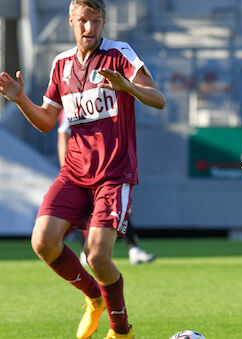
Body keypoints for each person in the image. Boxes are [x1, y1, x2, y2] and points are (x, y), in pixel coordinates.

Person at [0, 0, 165, 338]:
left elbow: (158, 99)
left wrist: (127, 87)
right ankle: (94, 297)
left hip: (113, 175)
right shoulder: (60, 64)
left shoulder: (120, 55)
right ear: (70, 22)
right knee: (43, 242)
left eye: (96, 20)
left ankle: (121, 331)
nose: (90, 28)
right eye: (83, 21)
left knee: (97, 256)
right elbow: (47, 121)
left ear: (103, 20)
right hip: (74, 174)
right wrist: (20, 100)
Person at [57, 111, 156, 266]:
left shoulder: (103, 100)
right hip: (83, 169)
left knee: (119, 208)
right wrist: (66, 170)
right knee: (85, 209)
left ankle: (133, 249)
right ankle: (88, 251)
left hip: (107, 167)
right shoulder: (71, 101)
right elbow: (63, 133)